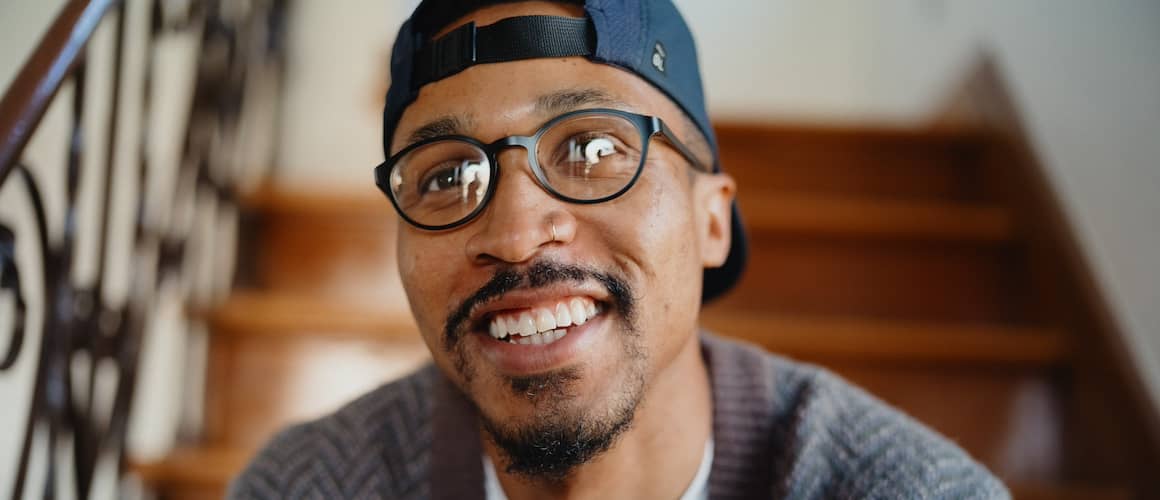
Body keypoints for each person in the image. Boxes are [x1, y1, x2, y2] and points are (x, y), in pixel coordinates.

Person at [229, 1, 1009, 498]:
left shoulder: (904, 488)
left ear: (713, 221)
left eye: (593, 152)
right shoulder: (307, 487)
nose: (515, 233)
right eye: (447, 175)